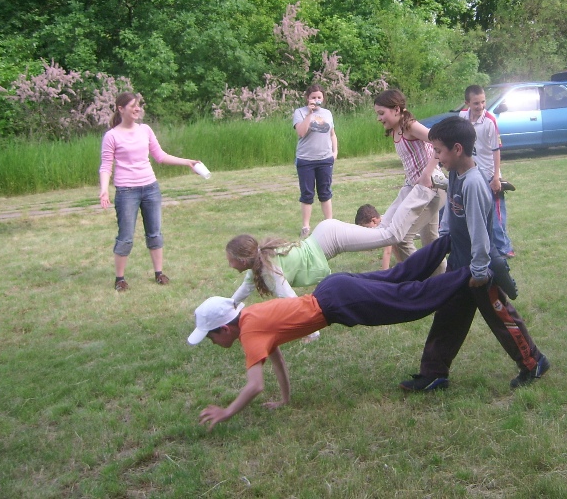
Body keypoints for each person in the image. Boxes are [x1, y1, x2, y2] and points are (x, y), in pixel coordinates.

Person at [189, 235, 466, 430]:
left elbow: (255, 386)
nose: (212, 342)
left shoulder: (250, 336)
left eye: (211, 337)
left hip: (339, 303)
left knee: (409, 301)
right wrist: (285, 400)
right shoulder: (252, 318)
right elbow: (278, 360)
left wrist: (227, 411)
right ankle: (450, 239)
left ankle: (472, 273)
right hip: (333, 288)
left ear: (224, 328)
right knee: (398, 276)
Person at [399, 116, 549, 392]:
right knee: (448, 317)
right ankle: (434, 373)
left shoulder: (474, 184)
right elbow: (451, 214)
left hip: (479, 270)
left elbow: (480, 233)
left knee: (501, 317)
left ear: (457, 149)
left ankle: (534, 362)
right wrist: (445, 237)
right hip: (459, 265)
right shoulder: (454, 175)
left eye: (439, 151)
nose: (436, 157)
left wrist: (479, 272)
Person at [227, 182, 436, 325]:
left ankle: (420, 189)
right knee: (384, 231)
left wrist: (311, 330)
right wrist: (228, 308)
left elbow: (289, 299)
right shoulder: (259, 262)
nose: (230, 265)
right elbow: (244, 290)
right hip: (326, 233)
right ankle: (410, 188)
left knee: (391, 235)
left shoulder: (268, 270)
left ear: (243, 260)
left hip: (331, 237)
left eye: (231, 261)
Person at [99, 92, 200, 291]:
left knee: (154, 233)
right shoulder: (112, 136)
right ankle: (120, 279)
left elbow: (160, 156)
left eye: (138, 105)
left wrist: (187, 162)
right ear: (121, 109)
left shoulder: (145, 130)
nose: (137, 109)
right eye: (132, 106)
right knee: (125, 236)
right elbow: (106, 165)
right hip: (126, 191)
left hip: (150, 188)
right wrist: (104, 189)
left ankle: (159, 273)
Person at [373, 89, 446, 271]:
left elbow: (440, 142)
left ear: (396, 109)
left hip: (432, 189)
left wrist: (427, 173)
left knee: (400, 238)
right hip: (417, 190)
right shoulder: (395, 130)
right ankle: (443, 281)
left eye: (381, 113)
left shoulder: (411, 127)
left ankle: (419, 276)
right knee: (431, 245)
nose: (379, 118)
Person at [459, 85, 515, 258]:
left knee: (496, 215)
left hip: (490, 174)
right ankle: (480, 246)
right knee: (475, 213)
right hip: (473, 173)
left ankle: (505, 247)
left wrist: (496, 177)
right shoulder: (462, 117)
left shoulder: (490, 121)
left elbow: (496, 150)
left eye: (483, 102)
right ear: (467, 103)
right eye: (476, 103)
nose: (481, 106)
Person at [293, 84, 338, 239]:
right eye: (313, 97)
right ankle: (306, 227)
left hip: (325, 159)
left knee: (325, 192)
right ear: (307, 98)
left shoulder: (327, 113)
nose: (316, 100)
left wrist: (335, 152)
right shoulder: (300, 112)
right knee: (307, 194)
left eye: (319, 97)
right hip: (306, 159)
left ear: (323, 98)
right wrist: (309, 114)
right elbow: (301, 132)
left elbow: (332, 134)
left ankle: (330, 225)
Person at [355, 204, 392, 269]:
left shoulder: (386, 227)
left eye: (367, 228)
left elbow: (387, 252)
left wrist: (384, 273)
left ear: (374, 221)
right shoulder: (382, 221)